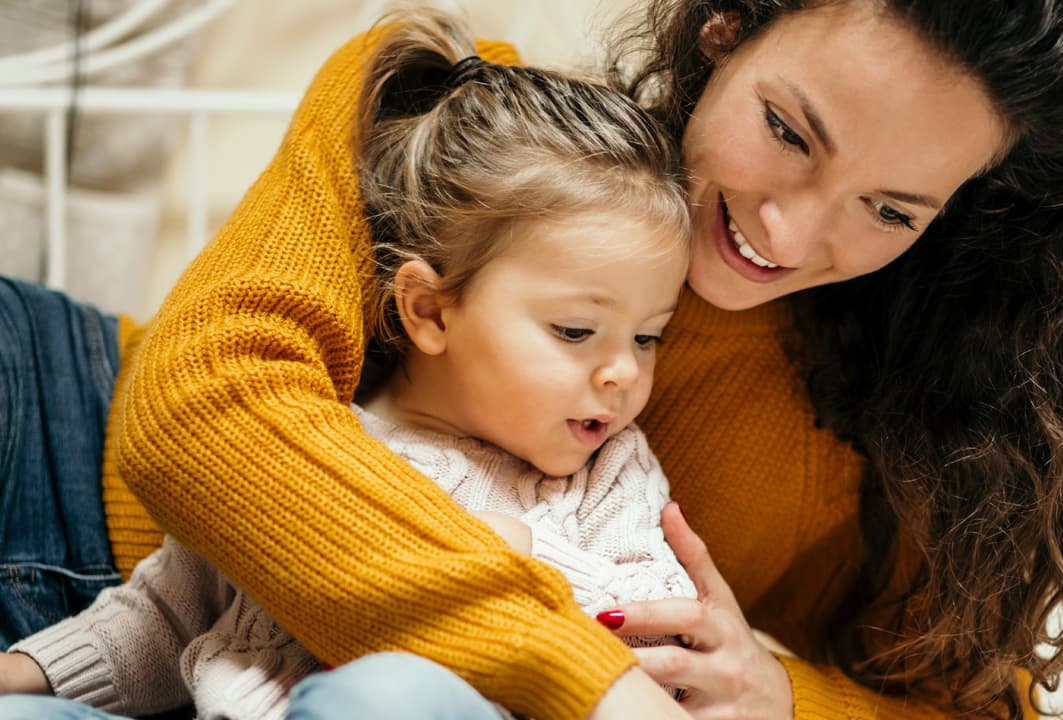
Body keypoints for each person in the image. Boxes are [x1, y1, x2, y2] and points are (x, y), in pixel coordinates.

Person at [0, 1, 1063, 718]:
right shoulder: (441, 110)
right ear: (724, 25)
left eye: (889, 210)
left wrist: (781, 699)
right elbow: (203, 413)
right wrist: (573, 672)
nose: (790, 229)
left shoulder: (907, 430)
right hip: (60, 427)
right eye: (787, 131)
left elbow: (979, 709)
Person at [0, 10, 699, 719]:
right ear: (428, 311)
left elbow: (653, 638)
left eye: (648, 338)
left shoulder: (609, 477)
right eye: (577, 330)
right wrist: (25, 673)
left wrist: (519, 553)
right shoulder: (314, 440)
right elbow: (163, 618)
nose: (622, 372)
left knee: (388, 695)